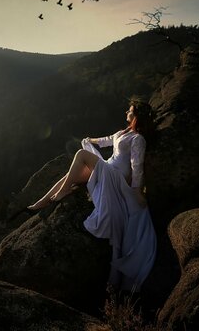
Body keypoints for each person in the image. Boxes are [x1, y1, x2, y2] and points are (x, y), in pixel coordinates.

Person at [27, 99, 157, 292]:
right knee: (71, 174)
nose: (126, 112)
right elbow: (106, 140)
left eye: (129, 111)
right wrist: (91, 140)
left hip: (116, 178)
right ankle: (42, 201)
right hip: (108, 170)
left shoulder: (138, 139)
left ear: (136, 115)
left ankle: (62, 193)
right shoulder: (124, 132)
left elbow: (136, 166)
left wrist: (137, 190)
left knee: (81, 155)